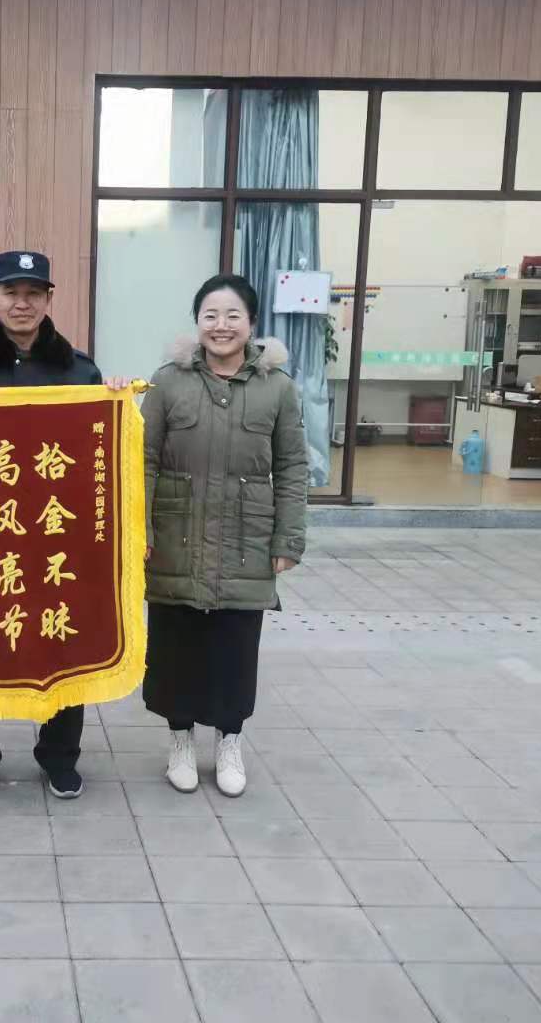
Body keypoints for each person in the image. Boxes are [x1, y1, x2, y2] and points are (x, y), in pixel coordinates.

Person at [0, 250, 126, 801]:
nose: (22, 303)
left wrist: (114, 401)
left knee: (61, 639)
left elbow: (97, 451)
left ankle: (59, 756)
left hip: (57, 533)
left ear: (49, 299)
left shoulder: (78, 370)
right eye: (10, 292)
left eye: (33, 293)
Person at [140, 273, 308, 797]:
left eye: (233, 315)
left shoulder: (277, 388)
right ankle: (181, 741)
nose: (221, 325)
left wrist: (288, 539)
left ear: (251, 323)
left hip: (246, 540)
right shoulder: (168, 382)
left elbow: (292, 466)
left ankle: (230, 742)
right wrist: (138, 529)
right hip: (176, 538)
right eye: (210, 315)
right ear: (197, 322)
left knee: (235, 650)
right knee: (176, 647)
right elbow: (142, 460)